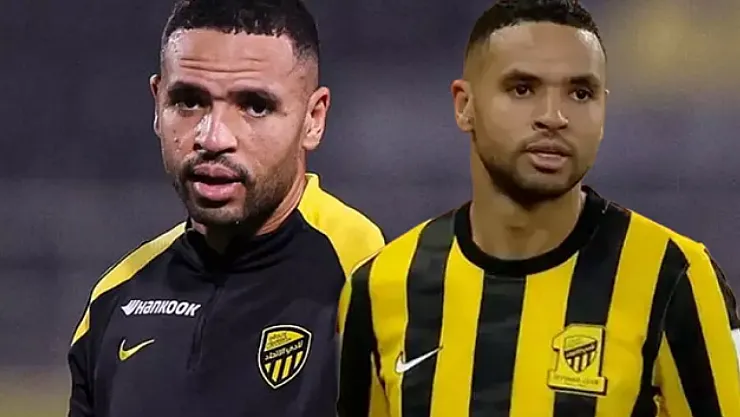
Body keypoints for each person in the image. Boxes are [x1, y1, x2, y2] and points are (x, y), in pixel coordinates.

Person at [337, 1, 740, 416]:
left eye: (580, 93)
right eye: (522, 89)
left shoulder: (674, 277)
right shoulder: (381, 287)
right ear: (464, 106)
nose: (554, 117)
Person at [67, 1, 384, 416]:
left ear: (313, 119)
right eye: (188, 102)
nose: (213, 138)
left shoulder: (370, 279)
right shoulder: (115, 298)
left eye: (255, 106)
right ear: (157, 104)